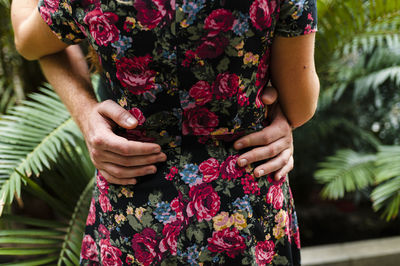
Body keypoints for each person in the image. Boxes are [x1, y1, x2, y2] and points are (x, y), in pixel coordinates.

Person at [11, 0, 319, 265]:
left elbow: (29, 40)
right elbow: (299, 105)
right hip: (245, 212)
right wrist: (274, 105)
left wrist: (86, 111)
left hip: (135, 214)